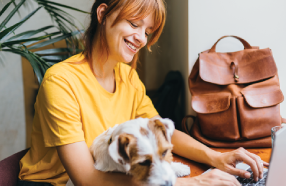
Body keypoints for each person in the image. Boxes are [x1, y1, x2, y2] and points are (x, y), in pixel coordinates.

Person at [18, 0, 268, 186]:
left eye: (147, 32)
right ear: (103, 14)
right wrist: (194, 182)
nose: (141, 38)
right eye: (134, 23)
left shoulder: (128, 78)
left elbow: (163, 132)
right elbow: (86, 178)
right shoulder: (61, 82)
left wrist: (216, 157)